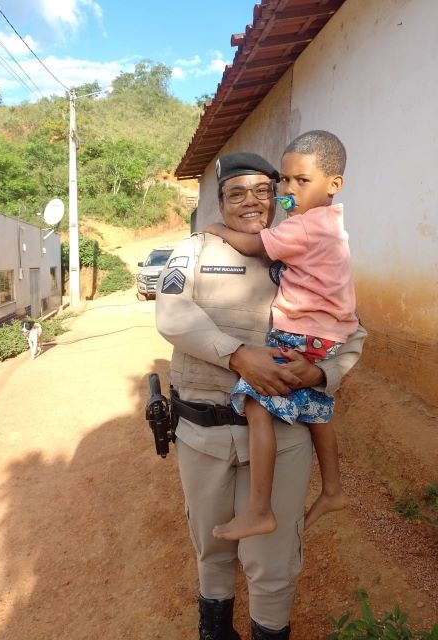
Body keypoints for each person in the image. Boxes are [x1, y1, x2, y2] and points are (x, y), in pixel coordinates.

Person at [155, 150, 366, 640]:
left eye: (262, 191)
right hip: (204, 435)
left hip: (284, 436)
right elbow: (172, 315)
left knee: (274, 562)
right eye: (236, 193)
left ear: (277, 197)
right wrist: (237, 356)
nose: (251, 201)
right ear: (219, 202)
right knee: (212, 549)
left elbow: (351, 330)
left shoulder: (303, 245)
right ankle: (215, 632)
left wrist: (320, 374)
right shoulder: (195, 250)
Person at [204, 131, 356, 541]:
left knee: (256, 403)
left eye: (301, 181)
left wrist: (216, 229)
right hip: (327, 337)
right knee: (319, 412)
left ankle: (259, 509)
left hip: (301, 334)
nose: (288, 190)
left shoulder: (303, 227)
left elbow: (254, 245)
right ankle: (333, 490)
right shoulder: (331, 223)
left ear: (333, 184)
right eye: (284, 180)